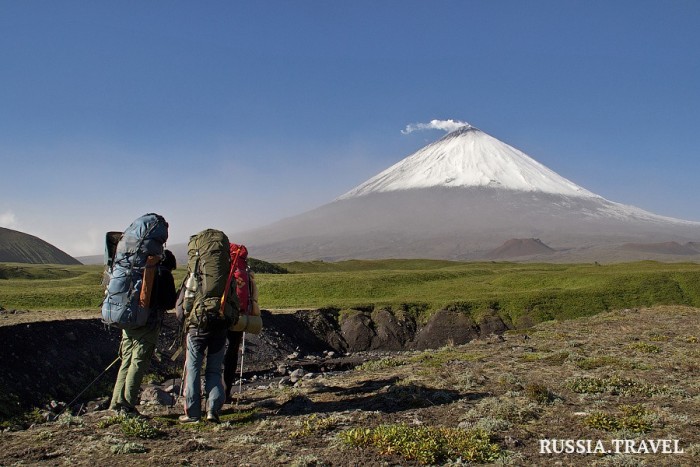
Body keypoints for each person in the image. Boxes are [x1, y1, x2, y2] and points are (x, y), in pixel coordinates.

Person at [109, 250, 177, 415]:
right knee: (138, 362)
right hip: (148, 324)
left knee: (126, 361)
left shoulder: (138, 269)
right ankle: (128, 405)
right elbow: (169, 303)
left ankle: (115, 404)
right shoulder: (165, 274)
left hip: (127, 321)